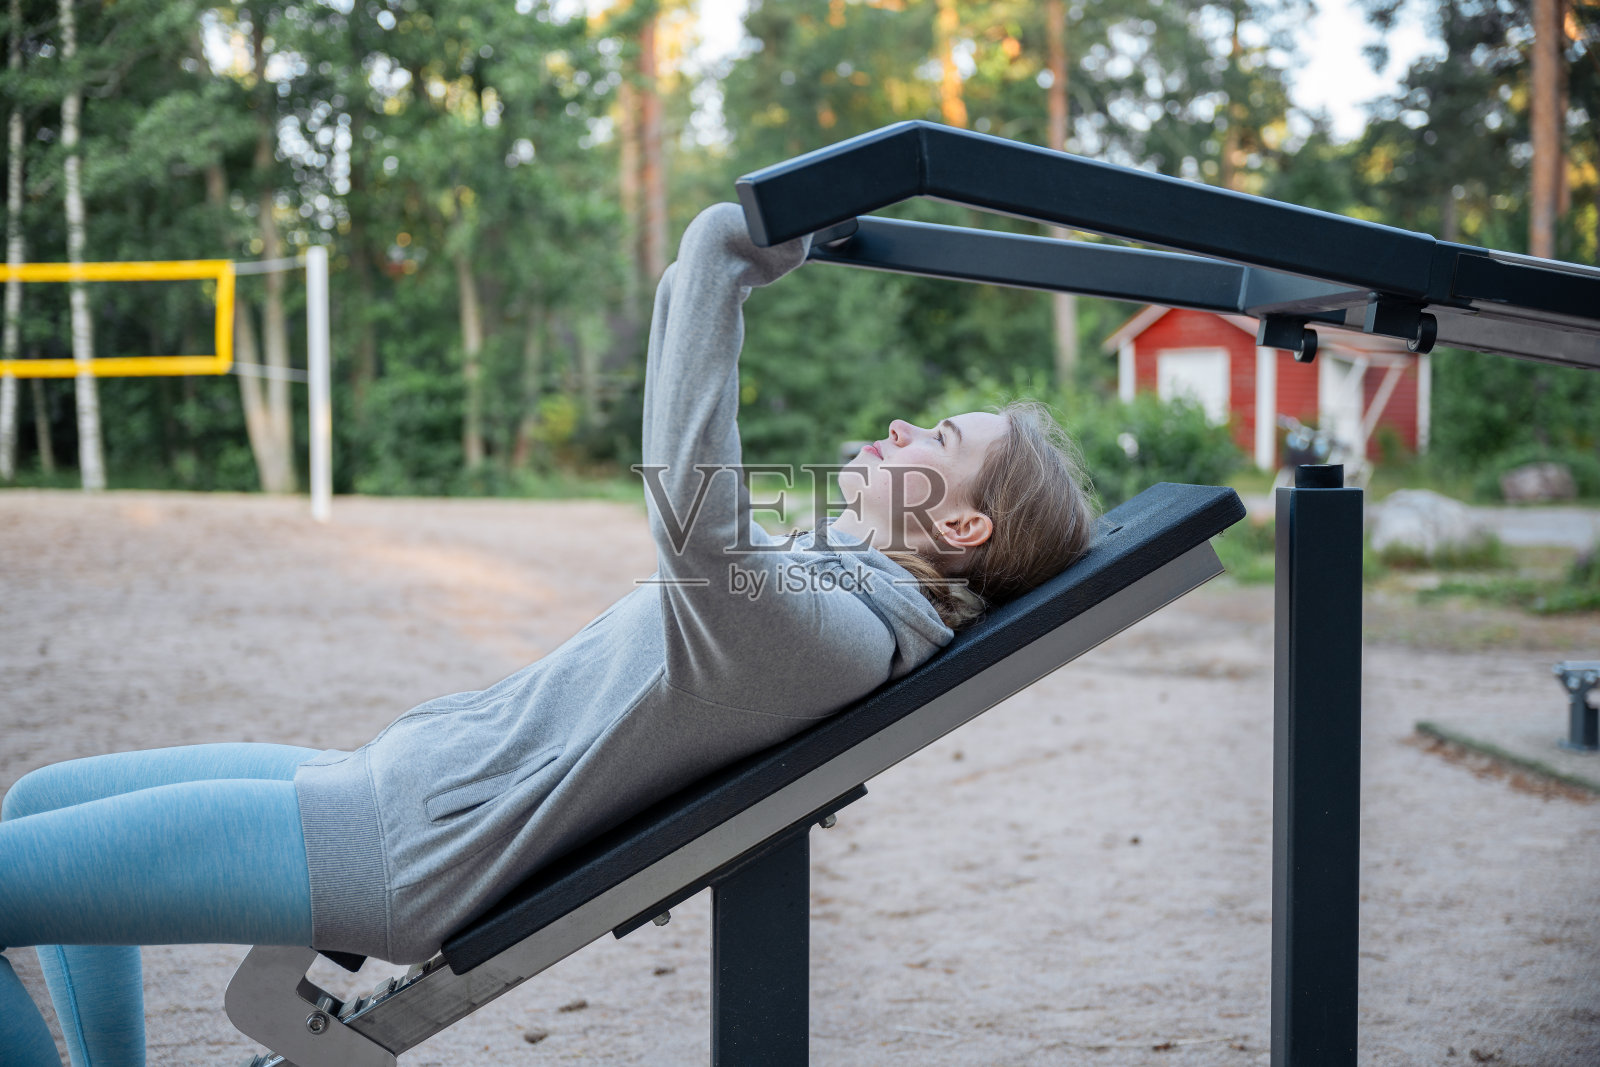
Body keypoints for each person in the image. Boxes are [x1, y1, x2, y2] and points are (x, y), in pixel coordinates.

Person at [0, 203, 1095, 1066]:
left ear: (958, 523)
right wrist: (701, 276)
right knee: (37, 802)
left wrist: (719, 266)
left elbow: (692, 516)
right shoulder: (825, 579)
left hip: (395, 841)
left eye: (938, 438)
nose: (904, 425)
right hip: (388, 786)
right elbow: (700, 454)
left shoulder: (836, 637)